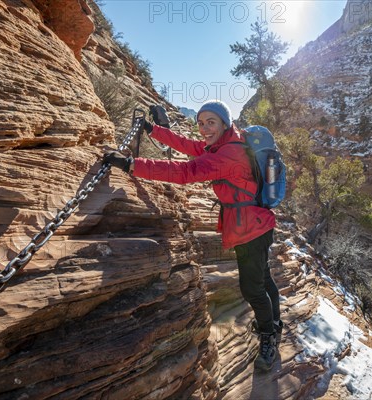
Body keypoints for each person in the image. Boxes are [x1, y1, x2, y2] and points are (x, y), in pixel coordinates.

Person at [103, 100, 282, 371]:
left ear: (225, 122)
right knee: (263, 278)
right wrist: (153, 130)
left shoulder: (227, 154)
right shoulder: (228, 142)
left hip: (250, 229)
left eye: (211, 122)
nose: (204, 128)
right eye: (200, 123)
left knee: (251, 288)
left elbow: (185, 172)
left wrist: (132, 165)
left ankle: (268, 339)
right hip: (256, 222)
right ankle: (275, 324)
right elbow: (191, 146)